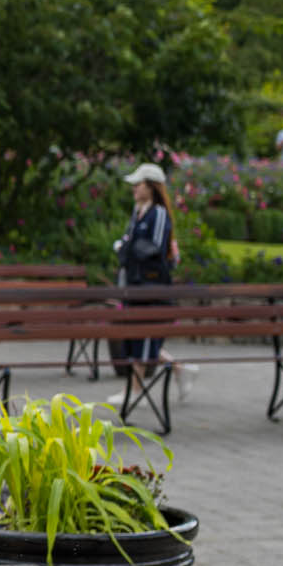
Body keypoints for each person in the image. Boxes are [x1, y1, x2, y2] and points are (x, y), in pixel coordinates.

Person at [116, 163, 187, 394]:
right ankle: (177, 369)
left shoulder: (158, 213)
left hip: (149, 285)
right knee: (137, 336)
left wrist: (127, 248)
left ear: (152, 186)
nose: (134, 188)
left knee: (144, 336)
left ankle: (136, 393)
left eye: (139, 184)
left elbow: (153, 249)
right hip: (134, 284)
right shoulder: (138, 212)